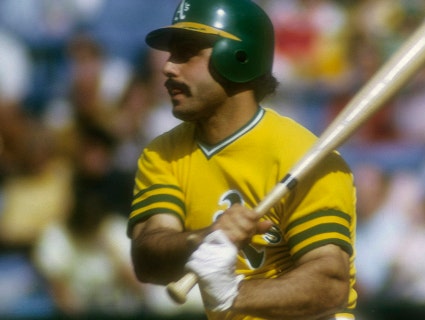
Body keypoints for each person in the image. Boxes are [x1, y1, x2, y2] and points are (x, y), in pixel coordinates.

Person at [127, 1, 357, 320]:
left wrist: (232, 293)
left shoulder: (304, 155)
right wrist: (204, 237)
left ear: (238, 57)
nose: (168, 67)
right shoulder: (162, 153)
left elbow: (330, 284)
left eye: (186, 52)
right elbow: (148, 261)